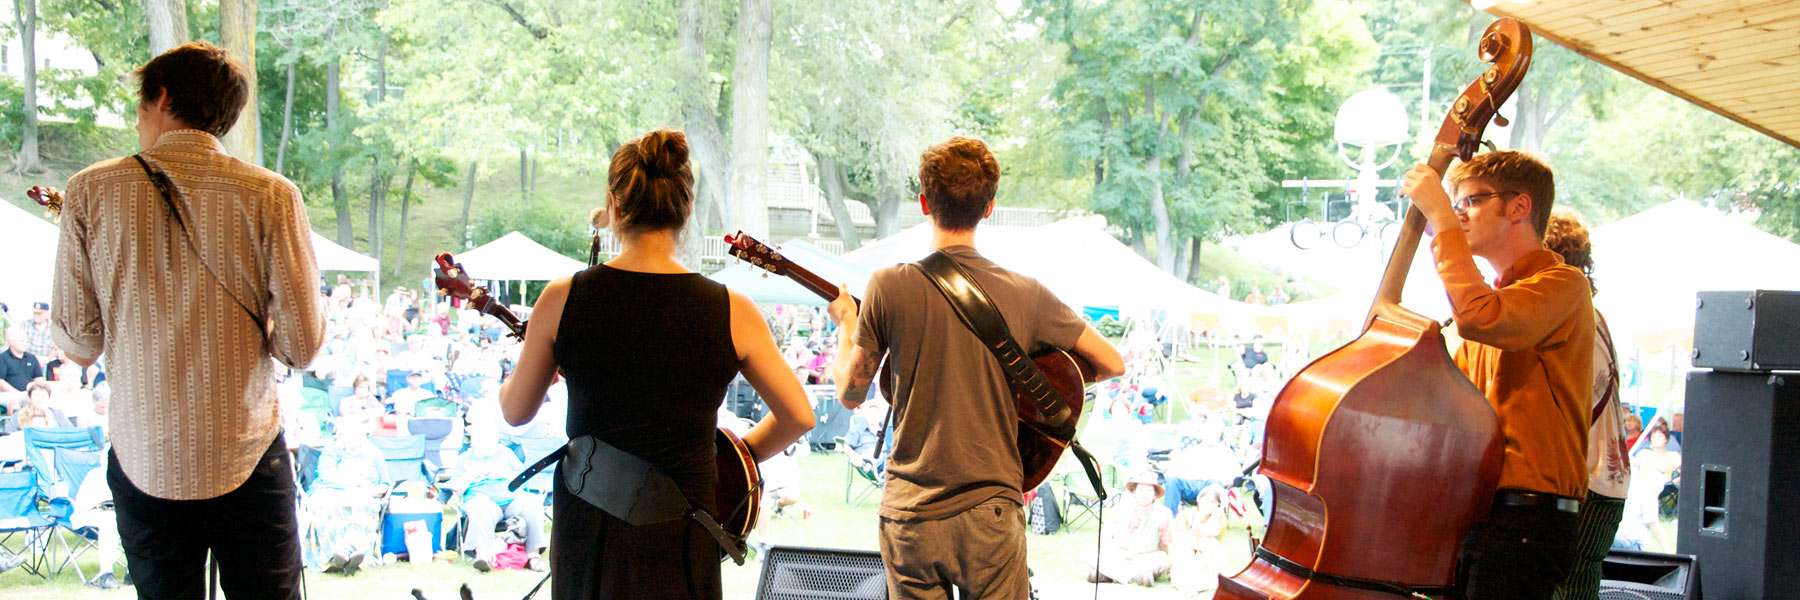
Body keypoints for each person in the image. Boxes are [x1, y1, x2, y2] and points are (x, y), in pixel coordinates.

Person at [50, 41, 325, 599]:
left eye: (139, 106)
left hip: (144, 454)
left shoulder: (89, 190)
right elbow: (302, 348)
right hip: (246, 453)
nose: (137, 121)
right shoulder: (271, 195)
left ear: (163, 98)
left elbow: (78, 344)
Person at [498, 128, 814, 600]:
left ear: (616, 207)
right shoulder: (733, 310)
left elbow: (515, 410)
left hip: (590, 523)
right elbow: (799, 416)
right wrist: (735, 455)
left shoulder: (562, 298)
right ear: (686, 211)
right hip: (684, 530)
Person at [827, 137, 1125, 600]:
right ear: (990, 208)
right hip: (991, 509)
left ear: (924, 203)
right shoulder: (1027, 293)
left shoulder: (888, 285)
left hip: (911, 512)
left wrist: (848, 324)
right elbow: (1111, 362)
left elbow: (850, 391)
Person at [1402, 151, 1593, 599]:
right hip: (1486, 513)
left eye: (1470, 201)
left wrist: (1441, 223)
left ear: (1519, 207)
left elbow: (1479, 317)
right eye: (1456, 204)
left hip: (1526, 517)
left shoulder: (1562, 285)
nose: (1459, 213)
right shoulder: (1498, 299)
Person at [1545, 211, 1633, 600]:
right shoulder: (1589, 316)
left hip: (1588, 480)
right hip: (1598, 479)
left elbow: (1577, 402)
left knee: (1569, 588)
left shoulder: (1576, 317)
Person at [451, 420, 546, 572]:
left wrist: (504, 473)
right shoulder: (465, 459)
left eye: (489, 437)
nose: (485, 441)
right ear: (474, 440)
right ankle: (484, 556)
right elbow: (456, 490)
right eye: (480, 438)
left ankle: (533, 557)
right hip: (482, 498)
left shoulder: (506, 453)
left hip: (512, 498)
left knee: (532, 503)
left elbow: (523, 479)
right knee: (480, 508)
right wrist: (469, 476)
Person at [1088, 471, 1174, 587]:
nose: (1144, 495)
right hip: (1118, 556)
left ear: (1155, 494)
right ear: (1134, 491)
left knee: (1163, 559)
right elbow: (1105, 541)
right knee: (1088, 552)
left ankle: (1109, 574)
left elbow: (1164, 547)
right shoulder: (1118, 509)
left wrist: (1165, 565)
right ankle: (1137, 577)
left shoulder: (1164, 513)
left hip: (1144, 559)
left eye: (1149, 491)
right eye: (1141, 490)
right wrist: (1126, 555)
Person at [0, 329, 45, 409]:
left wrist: (36, 391)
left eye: (27, 342)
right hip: (8, 393)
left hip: (30, 392)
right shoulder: (3, 358)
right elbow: (1, 382)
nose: (25, 344)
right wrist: (19, 394)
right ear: (11, 342)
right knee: (15, 400)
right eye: (22, 341)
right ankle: (15, 421)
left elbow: (39, 378)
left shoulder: (31, 358)